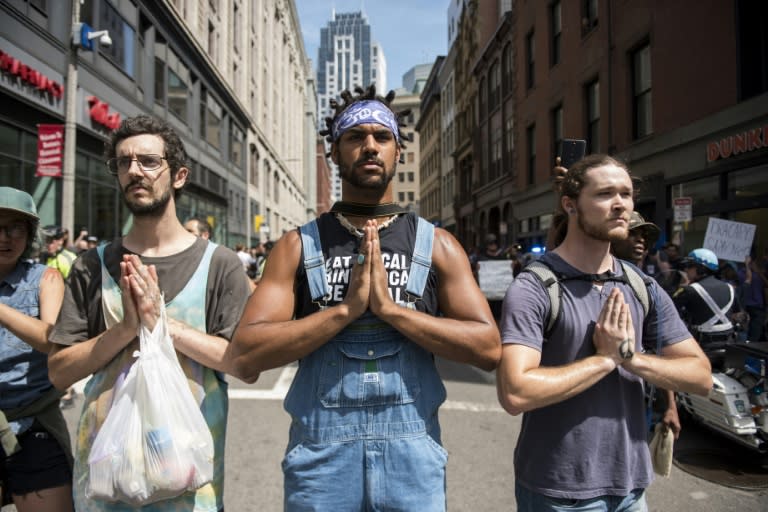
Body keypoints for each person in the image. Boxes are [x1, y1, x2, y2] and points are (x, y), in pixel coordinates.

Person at [227, 85, 500, 510]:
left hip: (412, 462)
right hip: (322, 464)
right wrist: (344, 312)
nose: (369, 146)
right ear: (334, 152)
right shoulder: (297, 246)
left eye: (382, 137)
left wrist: (391, 311)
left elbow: (487, 349)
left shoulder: (438, 245)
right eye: (355, 137)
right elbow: (246, 354)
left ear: (399, 152)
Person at [47, 114, 252, 511]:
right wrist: (126, 328)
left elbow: (244, 365)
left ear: (178, 175)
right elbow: (59, 372)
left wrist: (161, 324)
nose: (134, 171)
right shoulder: (92, 265)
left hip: (191, 485)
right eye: (123, 163)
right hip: (106, 484)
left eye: (148, 161)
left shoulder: (220, 264)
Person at [496, 154, 711, 511]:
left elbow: (700, 376)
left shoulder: (642, 285)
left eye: (626, 195)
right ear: (571, 205)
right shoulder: (534, 286)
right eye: (605, 194)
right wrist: (604, 361)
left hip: (632, 489)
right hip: (559, 492)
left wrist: (630, 358)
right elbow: (515, 393)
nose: (620, 205)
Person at [0, 187, 73, 512]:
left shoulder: (44, 278)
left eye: (15, 227)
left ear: (29, 233)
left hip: (33, 424)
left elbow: (53, 340)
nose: (5, 237)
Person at [611, 211, 681, 439]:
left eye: (644, 235)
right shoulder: (587, 279)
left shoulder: (649, 288)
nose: (640, 239)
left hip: (633, 396)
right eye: (633, 233)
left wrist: (671, 405)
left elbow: (662, 352)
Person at [673, 248, 740, 369]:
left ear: (700, 268)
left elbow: (670, 313)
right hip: (730, 346)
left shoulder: (690, 290)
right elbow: (737, 314)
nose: (686, 270)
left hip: (703, 348)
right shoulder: (730, 288)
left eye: (689, 266)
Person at [739, 251, 767, 341]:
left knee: (754, 332)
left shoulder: (759, 272)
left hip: (756, 306)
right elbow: (748, 278)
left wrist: (758, 271)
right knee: (745, 332)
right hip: (748, 306)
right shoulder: (740, 273)